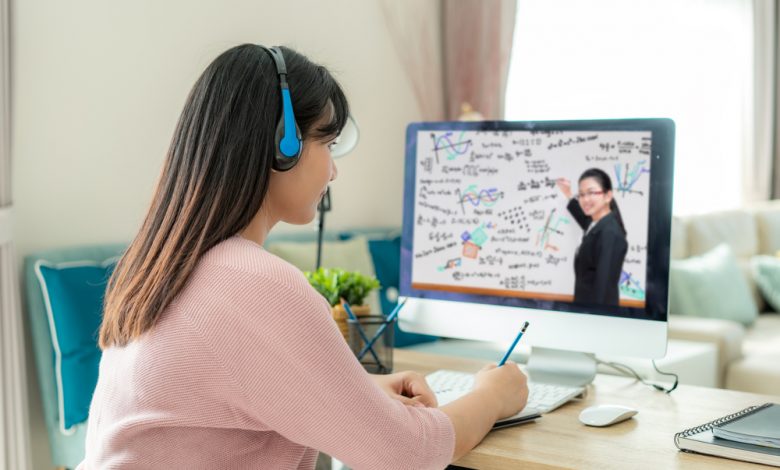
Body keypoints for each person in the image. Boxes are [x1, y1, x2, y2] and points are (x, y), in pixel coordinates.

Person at [77, 44, 528, 470]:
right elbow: (408, 453)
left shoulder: (158, 264)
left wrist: (358, 394)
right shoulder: (253, 282)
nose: (334, 169)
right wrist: (493, 395)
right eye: (327, 144)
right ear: (283, 146)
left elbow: (206, 398)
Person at [556, 168, 628, 306]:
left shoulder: (610, 234)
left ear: (608, 196)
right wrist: (568, 194)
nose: (585, 199)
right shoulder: (595, 224)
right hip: (585, 309)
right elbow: (582, 217)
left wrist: (594, 321)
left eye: (591, 193)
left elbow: (603, 287)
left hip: (596, 315)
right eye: (581, 194)